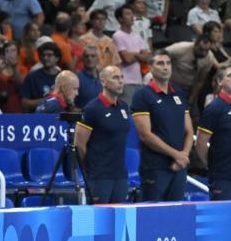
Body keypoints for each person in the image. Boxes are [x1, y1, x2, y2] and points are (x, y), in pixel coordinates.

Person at [132, 50, 194, 202]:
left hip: (179, 167)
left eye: (168, 63)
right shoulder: (142, 95)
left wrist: (183, 156)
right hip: (155, 168)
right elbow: (145, 135)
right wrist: (176, 155)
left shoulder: (179, 94)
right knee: (152, 216)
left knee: (175, 215)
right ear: (150, 68)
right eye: (160, 63)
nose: (165, 67)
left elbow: (189, 130)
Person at [76, 65, 130, 204]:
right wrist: (92, 169)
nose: (120, 81)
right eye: (115, 77)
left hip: (121, 175)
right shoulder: (91, 109)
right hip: (100, 176)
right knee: (99, 221)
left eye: (122, 77)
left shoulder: (124, 107)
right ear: (103, 82)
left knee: (120, 220)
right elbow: (79, 145)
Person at [195, 62, 231, 200]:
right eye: (230, 76)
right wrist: (212, 166)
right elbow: (200, 143)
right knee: (224, 219)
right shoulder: (214, 108)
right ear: (220, 82)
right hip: (223, 178)